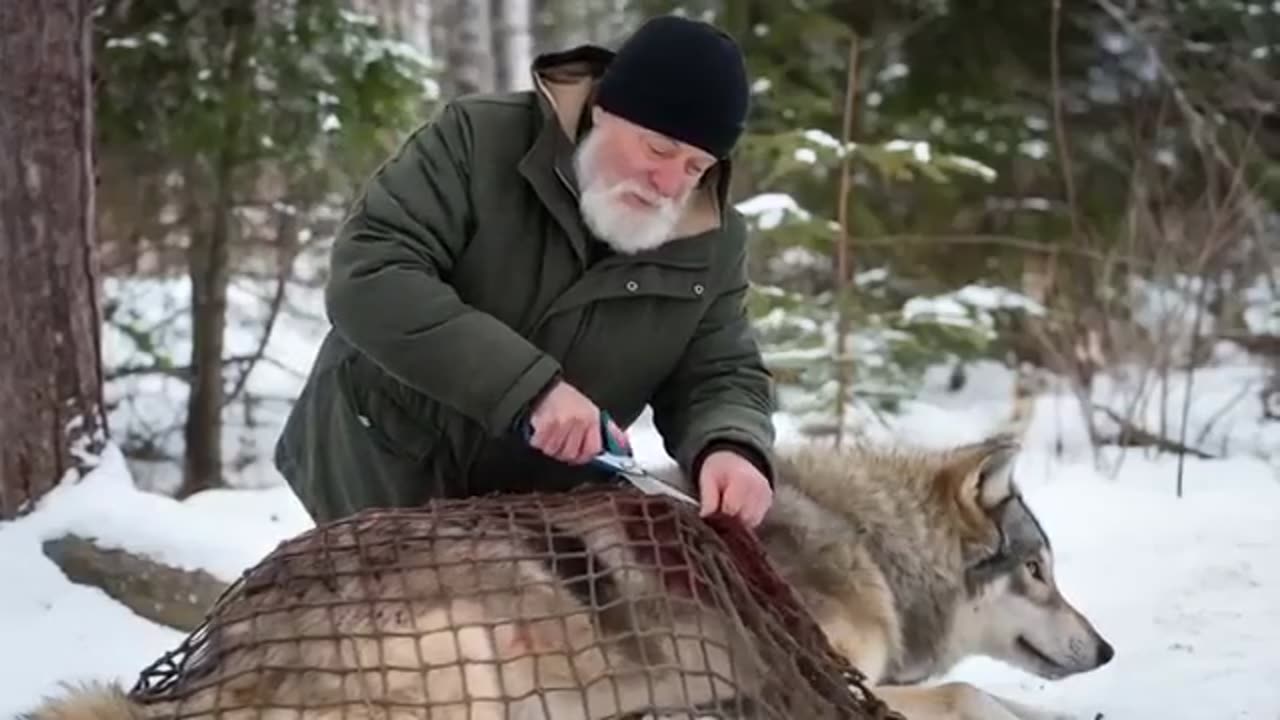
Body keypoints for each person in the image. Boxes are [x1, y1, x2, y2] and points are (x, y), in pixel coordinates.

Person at [273, 14, 777, 530]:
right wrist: (528, 390)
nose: (671, 182)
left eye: (696, 166)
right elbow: (373, 272)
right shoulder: (478, 138)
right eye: (659, 149)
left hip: (536, 509)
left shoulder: (713, 241)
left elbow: (718, 371)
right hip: (384, 458)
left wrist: (730, 444)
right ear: (604, 111)